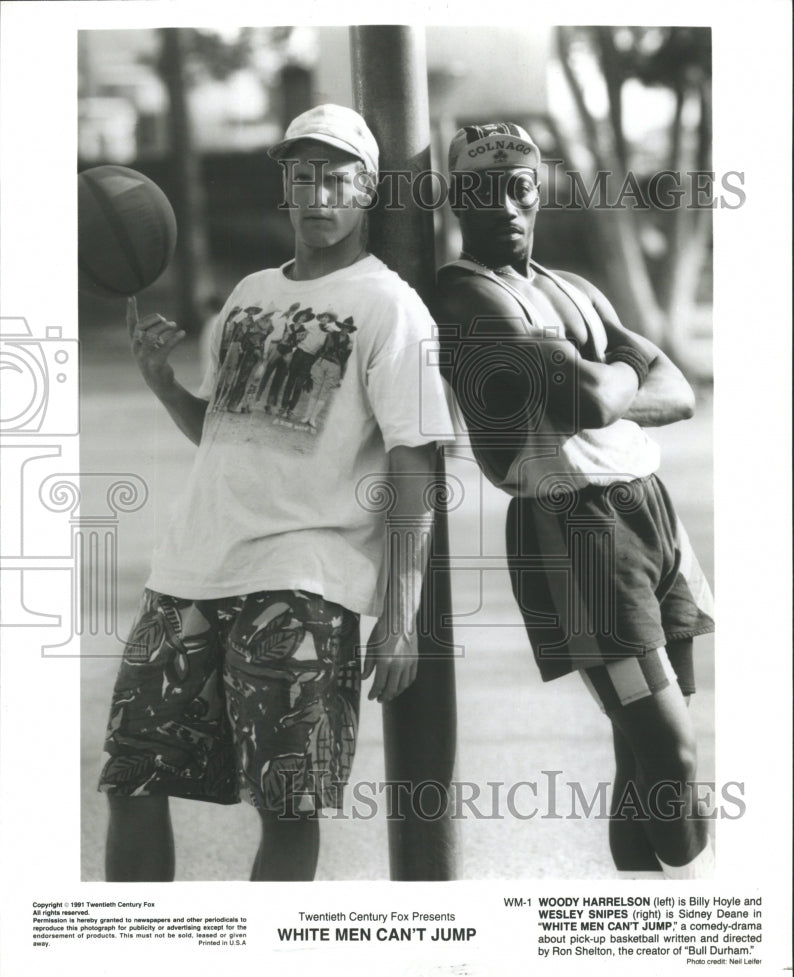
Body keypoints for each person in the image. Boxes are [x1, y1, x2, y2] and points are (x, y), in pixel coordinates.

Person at [98, 104, 455, 881]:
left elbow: (415, 462)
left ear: (368, 191)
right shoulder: (251, 293)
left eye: (337, 177)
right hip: (189, 574)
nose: (319, 192)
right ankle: (127, 962)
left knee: (288, 803)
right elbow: (228, 429)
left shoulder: (389, 307)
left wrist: (400, 613)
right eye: (303, 176)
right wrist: (163, 386)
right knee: (130, 779)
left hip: (300, 585)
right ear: (285, 189)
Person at [435, 122, 715, 878]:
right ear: (457, 198)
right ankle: (689, 899)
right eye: (481, 191)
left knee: (639, 756)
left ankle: (630, 936)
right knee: (676, 764)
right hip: (576, 526)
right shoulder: (465, 297)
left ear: (540, 192)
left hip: (649, 509)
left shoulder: (572, 288)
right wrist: (622, 376)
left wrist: (610, 382)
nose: (504, 206)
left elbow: (680, 389)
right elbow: (595, 395)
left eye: (519, 187)